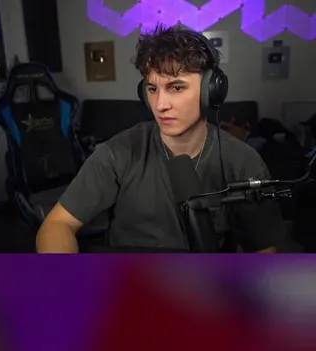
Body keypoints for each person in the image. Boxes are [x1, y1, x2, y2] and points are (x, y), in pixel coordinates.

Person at [36, 25, 282, 253]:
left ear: (211, 91)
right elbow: (57, 224)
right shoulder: (117, 152)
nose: (160, 105)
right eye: (153, 89)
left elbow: (264, 252)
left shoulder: (243, 162)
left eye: (176, 87)